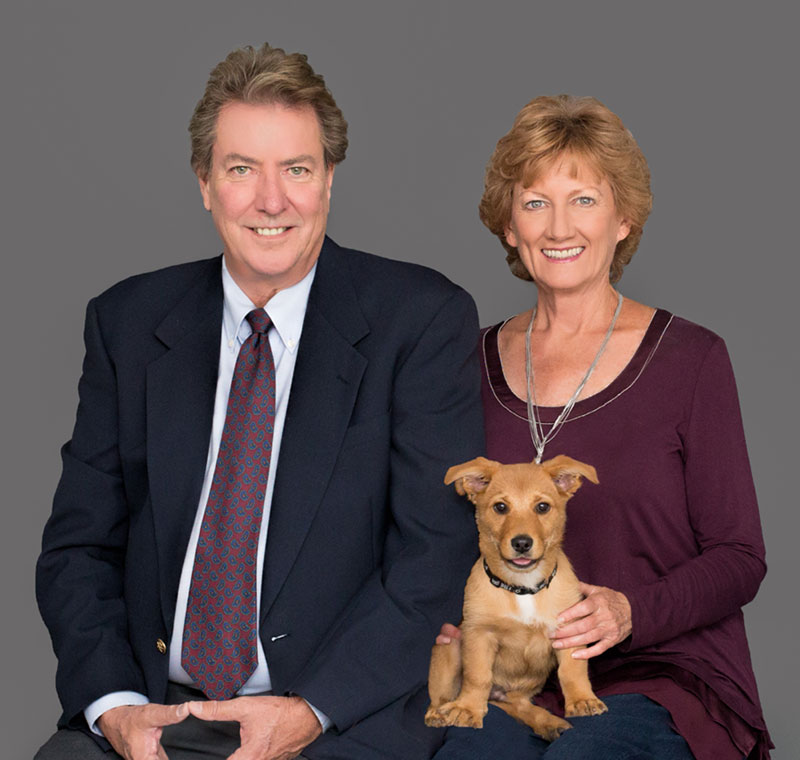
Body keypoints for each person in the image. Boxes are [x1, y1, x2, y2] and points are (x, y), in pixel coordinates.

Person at [35, 43, 484, 760]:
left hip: (338, 718)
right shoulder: (128, 322)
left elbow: (433, 556)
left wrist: (311, 710)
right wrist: (115, 709)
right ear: (205, 183)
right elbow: (78, 549)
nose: (271, 201)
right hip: (151, 712)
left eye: (296, 170)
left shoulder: (420, 319)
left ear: (329, 180)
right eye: (242, 169)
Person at [431, 95, 772, 759]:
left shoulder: (691, 360)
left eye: (584, 200)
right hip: (513, 676)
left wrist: (630, 612)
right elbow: (436, 533)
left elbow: (740, 556)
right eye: (535, 203)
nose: (559, 226)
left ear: (623, 219)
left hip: (660, 673)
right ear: (510, 226)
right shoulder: (463, 363)